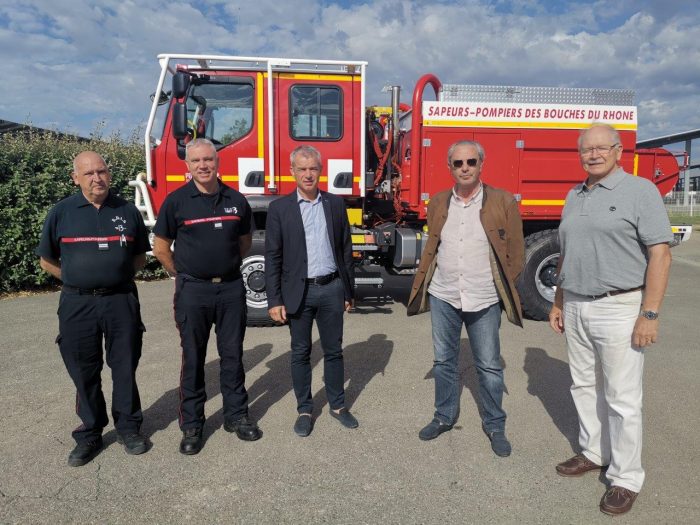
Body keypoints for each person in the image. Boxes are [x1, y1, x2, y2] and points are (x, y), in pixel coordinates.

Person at [549, 123, 672, 515]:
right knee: (583, 385)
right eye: (587, 149)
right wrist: (558, 300)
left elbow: (660, 254)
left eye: (603, 148)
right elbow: (568, 252)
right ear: (580, 154)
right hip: (576, 304)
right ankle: (594, 451)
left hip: (619, 306)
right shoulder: (574, 194)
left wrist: (649, 314)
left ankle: (626, 476)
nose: (595, 154)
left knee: (622, 397)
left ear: (619, 151)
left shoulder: (640, 191)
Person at [407, 140, 524, 457]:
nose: (465, 168)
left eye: (471, 161)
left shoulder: (502, 201)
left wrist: (498, 283)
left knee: (488, 365)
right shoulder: (439, 202)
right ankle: (443, 416)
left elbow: (516, 252)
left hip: (483, 296)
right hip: (444, 294)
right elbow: (434, 243)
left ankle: (495, 424)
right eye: (458, 163)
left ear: (481, 163)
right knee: (444, 362)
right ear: (450, 167)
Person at [37, 151, 151, 466]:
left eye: (101, 171)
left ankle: (129, 428)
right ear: (76, 178)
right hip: (77, 303)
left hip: (120, 301)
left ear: (109, 174)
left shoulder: (127, 211)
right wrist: (76, 280)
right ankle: (90, 433)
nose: (96, 178)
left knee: (125, 367)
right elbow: (47, 259)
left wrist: (114, 277)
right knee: (84, 371)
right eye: (88, 173)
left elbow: (139, 257)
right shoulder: (61, 212)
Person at [152, 138, 261, 455]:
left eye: (208, 160)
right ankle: (192, 425)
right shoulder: (176, 202)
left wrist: (222, 269)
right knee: (193, 359)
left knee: (232, 356)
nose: (203, 165)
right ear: (187, 165)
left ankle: (237, 416)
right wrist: (184, 274)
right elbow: (161, 249)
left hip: (230, 289)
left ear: (217, 162)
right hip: (193, 291)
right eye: (196, 160)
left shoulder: (236, 200)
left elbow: (243, 243)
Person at [265, 145, 357, 437]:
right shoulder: (279, 209)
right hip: (299, 292)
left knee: (333, 352)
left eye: (313, 168)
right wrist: (274, 298)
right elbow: (273, 257)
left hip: (331, 288)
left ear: (320, 170)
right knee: (300, 352)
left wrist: (348, 292)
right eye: (302, 168)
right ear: (292, 171)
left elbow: (345, 249)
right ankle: (305, 409)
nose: (308, 174)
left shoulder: (335, 204)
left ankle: (338, 406)